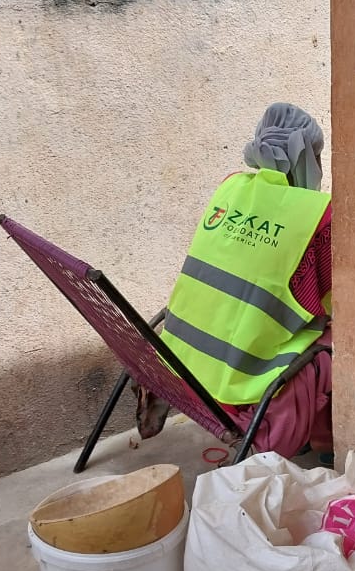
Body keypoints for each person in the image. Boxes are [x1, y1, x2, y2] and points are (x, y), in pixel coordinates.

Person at [136, 103, 334, 459]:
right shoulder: (317, 214)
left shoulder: (229, 188)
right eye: (318, 157)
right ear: (306, 157)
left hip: (181, 369)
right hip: (237, 389)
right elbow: (336, 301)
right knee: (347, 334)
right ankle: (326, 441)